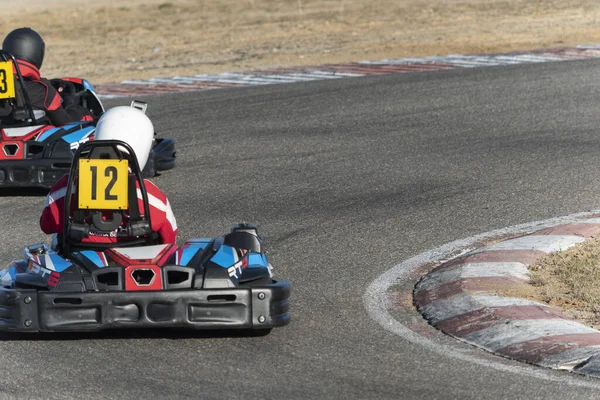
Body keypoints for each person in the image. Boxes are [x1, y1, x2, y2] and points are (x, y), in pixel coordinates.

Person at [40, 106, 177, 245]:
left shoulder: (65, 189)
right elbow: (169, 239)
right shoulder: (149, 196)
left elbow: (46, 226)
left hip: (79, 261)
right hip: (135, 262)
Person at [1, 27, 92, 126]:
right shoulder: (43, 89)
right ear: (35, 53)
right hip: (33, 139)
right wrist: (70, 102)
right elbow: (66, 123)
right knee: (87, 116)